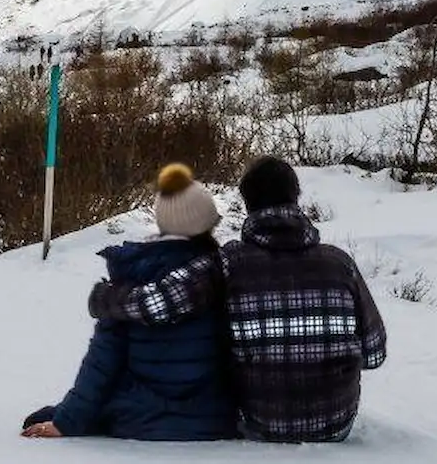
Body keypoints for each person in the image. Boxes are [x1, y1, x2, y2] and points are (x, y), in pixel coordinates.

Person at [88, 156, 386, 443]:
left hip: (261, 420)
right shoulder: (340, 263)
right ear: (295, 198)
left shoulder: (229, 262)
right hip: (336, 422)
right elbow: (374, 354)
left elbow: (160, 303)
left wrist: (106, 298)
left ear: (247, 204)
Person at [20, 164, 237, 441]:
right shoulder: (224, 272)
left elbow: (102, 362)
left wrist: (66, 421)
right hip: (212, 418)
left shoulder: (131, 278)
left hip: (141, 418)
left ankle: (77, 413)